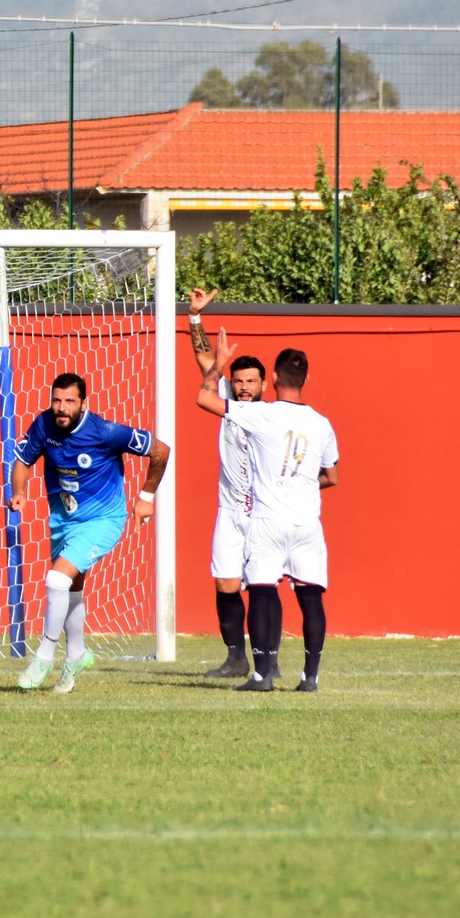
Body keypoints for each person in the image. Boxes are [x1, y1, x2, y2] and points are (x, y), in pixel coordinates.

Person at [11, 372, 170, 695]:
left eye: (69, 401)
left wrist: (146, 497)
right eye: (57, 400)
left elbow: (161, 450)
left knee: (56, 580)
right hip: (64, 519)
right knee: (71, 590)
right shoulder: (43, 425)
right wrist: (19, 491)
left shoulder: (105, 432)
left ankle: (44, 654)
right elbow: (22, 460)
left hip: (103, 520)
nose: (61, 408)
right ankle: (75, 659)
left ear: (83, 403)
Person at [198, 341, 339, 693]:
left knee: (262, 590)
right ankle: (310, 677)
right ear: (305, 378)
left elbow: (204, 398)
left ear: (272, 379)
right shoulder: (321, 423)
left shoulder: (264, 415)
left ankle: (262, 675)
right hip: (307, 521)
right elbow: (333, 476)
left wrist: (216, 366)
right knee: (310, 598)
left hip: (268, 519)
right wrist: (301, 486)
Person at [190, 288, 269, 679]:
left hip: (265, 514)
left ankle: (266, 660)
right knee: (225, 583)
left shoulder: (271, 417)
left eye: (251, 382)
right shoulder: (228, 404)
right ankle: (236, 658)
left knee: (261, 587)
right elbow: (207, 364)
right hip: (229, 510)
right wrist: (194, 318)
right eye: (238, 381)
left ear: (264, 385)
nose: (242, 387)